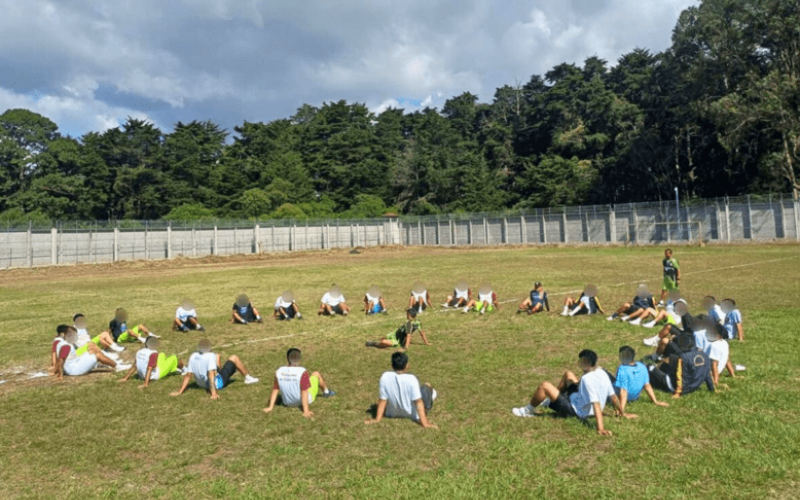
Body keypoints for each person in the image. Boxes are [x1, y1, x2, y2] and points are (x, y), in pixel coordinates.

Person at [511, 349, 635, 436]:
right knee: (569, 374)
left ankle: (527, 411)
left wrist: (600, 429)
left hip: (577, 411)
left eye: (580, 361)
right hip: (580, 399)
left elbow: (596, 404)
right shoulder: (602, 372)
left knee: (545, 386)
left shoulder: (587, 379)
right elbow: (613, 397)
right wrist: (622, 413)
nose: (579, 364)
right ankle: (550, 400)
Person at [364, 352, 437, 429]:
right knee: (427, 386)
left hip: (392, 413)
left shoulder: (385, 377)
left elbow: (382, 400)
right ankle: (430, 402)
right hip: (412, 414)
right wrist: (425, 423)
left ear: (392, 366)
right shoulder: (412, 379)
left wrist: (377, 419)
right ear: (406, 366)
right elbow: (418, 402)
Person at [170, 340, 259, 399]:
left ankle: (219, 360)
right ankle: (248, 378)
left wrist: (180, 391)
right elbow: (211, 374)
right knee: (234, 357)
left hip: (201, 384)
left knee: (218, 356)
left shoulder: (193, 356)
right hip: (217, 384)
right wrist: (213, 393)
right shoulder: (210, 356)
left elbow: (188, 376)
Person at [263, 348, 336, 418]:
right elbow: (304, 391)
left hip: (287, 403)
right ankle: (326, 392)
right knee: (316, 374)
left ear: (287, 359)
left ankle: (326, 392)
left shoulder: (279, 371)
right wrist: (306, 411)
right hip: (302, 401)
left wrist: (270, 407)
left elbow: (275, 390)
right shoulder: (302, 372)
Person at [646, 334, 715, 399]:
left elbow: (680, 375)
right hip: (693, 387)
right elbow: (707, 375)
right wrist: (711, 388)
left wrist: (678, 393)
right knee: (671, 360)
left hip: (673, 386)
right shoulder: (705, 355)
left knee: (649, 367)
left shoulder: (683, 357)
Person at [53, 326, 131, 380]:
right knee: (97, 355)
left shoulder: (60, 342)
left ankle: (113, 362)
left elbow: (58, 359)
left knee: (92, 350)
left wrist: (55, 371)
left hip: (74, 364)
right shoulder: (66, 346)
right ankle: (117, 367)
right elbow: (60, 360)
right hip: (74, 370)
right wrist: (60, 375)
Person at [612, 346, 669, 413]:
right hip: (634, 397)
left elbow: (623, 391)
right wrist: (655, 401)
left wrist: (621, 409)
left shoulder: (622, 369)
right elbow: (647, 386)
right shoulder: (642, 366)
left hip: (618, 396)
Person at [119, 337, 184, 389]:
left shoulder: (139, 351)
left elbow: (134, 366)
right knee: (173, 358)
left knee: (162, 355)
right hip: (154, 375)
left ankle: (173, 367)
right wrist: (145, 384)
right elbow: (149, 369)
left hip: (141, 375)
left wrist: (125, 378)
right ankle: (183, 369)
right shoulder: (153, 353)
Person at [365, 308, 430, 349]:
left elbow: (409, 335)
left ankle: (375, 344)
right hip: (394, 334)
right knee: (384, 339)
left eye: (407, 314)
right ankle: (378, 343)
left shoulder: (409, 324)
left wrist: (406, 347)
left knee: (384, 342)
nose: (406, 315)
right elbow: (422, 333)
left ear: (409, 315)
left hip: (397, 340)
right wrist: (426, 343)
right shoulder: (417, 322)